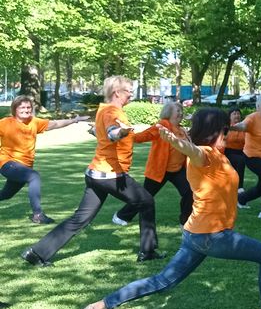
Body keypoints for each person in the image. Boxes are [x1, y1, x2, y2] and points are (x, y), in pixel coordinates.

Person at [78, 109, 261, 309]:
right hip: (212, 235)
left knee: (163, 281)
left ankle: (98, 307)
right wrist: (176, 142)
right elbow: (192, 151)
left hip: (196, 234)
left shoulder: (217, 154)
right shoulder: (205, 154)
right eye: (225, 130)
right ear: (213, 131)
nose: (228, 133)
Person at [22, 76, 161, 267]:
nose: (131, 94)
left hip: (96, 174)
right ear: (117, 92)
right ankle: (148, 251)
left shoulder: (103, 109)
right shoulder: (113, 111)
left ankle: (36, 253)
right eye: (129, 91)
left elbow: (102, 132)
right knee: (146, 201)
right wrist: (120, 132)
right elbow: (112, 132)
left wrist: (99, 132)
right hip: (110, 174)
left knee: (81, 218)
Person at [0, 95, 90, 224]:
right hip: (7, 163)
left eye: (28, 107)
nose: (26, 110)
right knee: (34, 176)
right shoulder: (5, 123)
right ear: (15, 109)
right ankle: (37, 215)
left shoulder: (34, 122)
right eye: (22, 107)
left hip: (24, 167)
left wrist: (75, 120)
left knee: (6, 194)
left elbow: (55, 124)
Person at [112, 101, 193, 228]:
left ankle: (185, 222)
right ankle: (122, 216)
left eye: (181, 111)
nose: (181, 113)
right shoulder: (161, 126)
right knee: (145, 196)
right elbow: (140, 137)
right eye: (178, 111)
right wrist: (125, 132)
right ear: (169, 113)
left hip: (178, 170)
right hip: (159, 170)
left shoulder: (181, 129)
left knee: (189, 192)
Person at [224, 107, 247, 190]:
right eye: (234, 114)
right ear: (229, 116)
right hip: (227, 152)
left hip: (242, 152)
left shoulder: (244, 127)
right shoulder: (226, 127)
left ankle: (237, 185)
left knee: (242, 160)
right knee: (241, 160)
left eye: (238, 113)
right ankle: (239, 187)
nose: (237, 115)